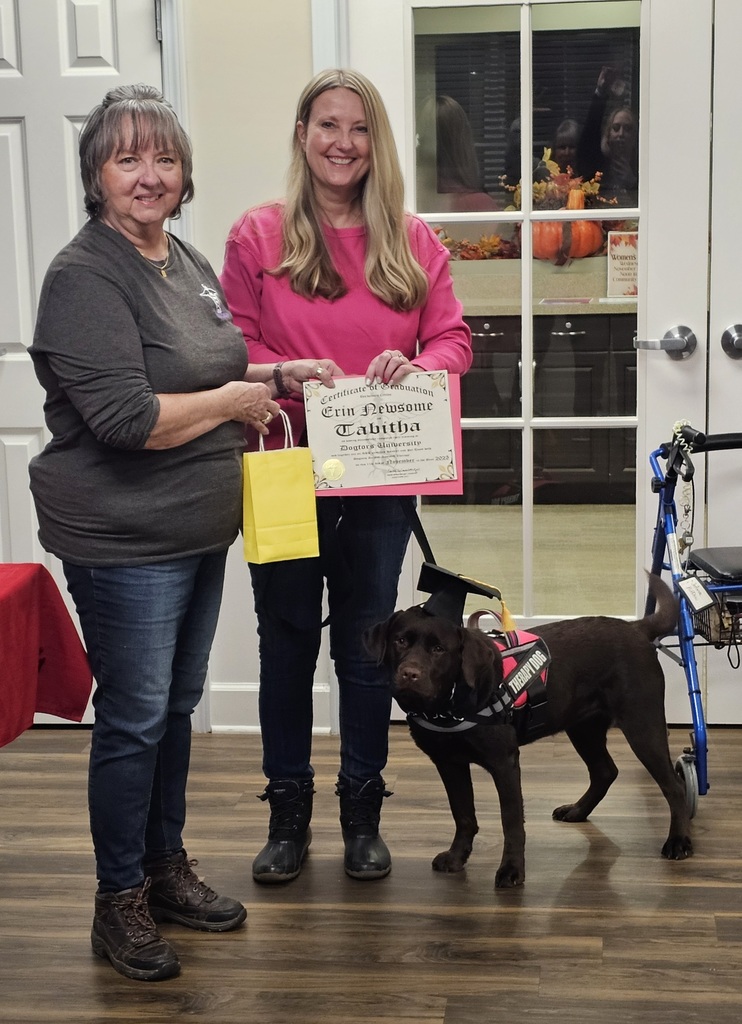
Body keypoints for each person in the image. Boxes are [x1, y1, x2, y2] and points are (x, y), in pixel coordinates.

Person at [27, 84, 338, 982]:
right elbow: (127, 416)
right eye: (128, 158)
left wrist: (279, 374)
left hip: (198, 526)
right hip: (125, 536)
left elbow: (209, 368)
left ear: (184, 172)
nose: (149, 175)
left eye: (163, 158)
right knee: (131, 720)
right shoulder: (84, 276)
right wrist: (239, 401)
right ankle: (117, 900)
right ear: (96, 174)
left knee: (169, 710)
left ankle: (164, 870)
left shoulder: (184, 260)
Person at [220, 68, 472, 885]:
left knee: (370, 651)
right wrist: (282, 371)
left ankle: (362, 810)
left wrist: (418, 361)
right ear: (302, 135)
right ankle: (287, 814)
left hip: (379, 475)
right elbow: (228, 352)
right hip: (285, 466)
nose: (343, 143)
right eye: (327, 125)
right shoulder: (257, 237)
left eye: (359, 129)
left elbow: (455, 343)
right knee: (288, 642)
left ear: (377, 142)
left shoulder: (411, 237)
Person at [576, 66, 638, 204]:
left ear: (635, 136)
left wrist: (632, 183)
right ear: (608, 134)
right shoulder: (597, 165)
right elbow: (589, 135)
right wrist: (600, 92)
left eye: (627, 129)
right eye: (616, 128)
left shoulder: (641, 166)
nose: (621, 134)